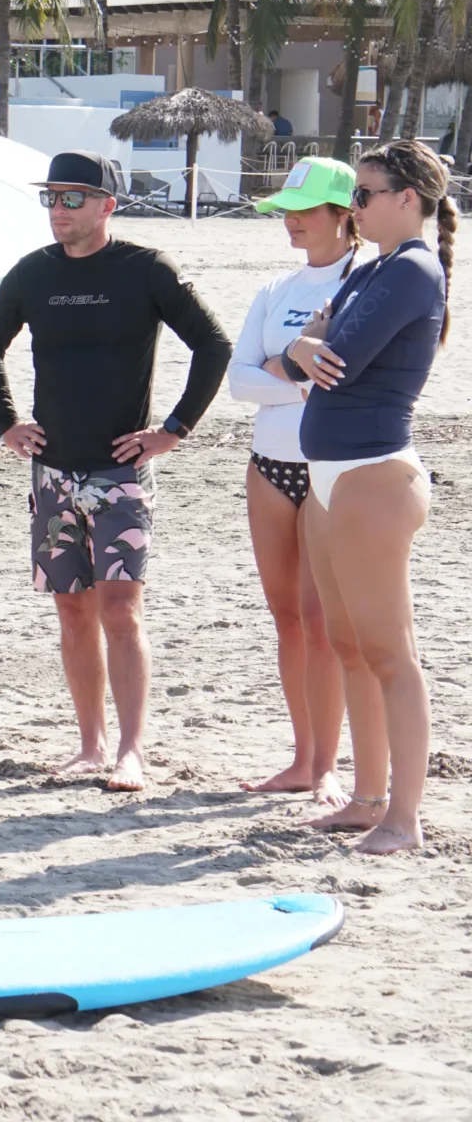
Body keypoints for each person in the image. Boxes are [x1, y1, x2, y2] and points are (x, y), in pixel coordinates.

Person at [0, 150, 232, 792]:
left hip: (121, 476)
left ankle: (132, 751)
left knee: (121, 611)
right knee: (73, 614)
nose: (59, 210)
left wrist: (172, 431)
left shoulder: (145, 269)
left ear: (107, 205)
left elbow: (214, 344)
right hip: (53, 474)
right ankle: (91, 745)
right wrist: (7, 424)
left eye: (73, 198)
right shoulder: (33, 273)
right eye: (51, 199)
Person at [284, 139, 451, 854]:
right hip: (335, 477)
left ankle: (403, 819)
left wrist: (306, 348)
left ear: (406, 199)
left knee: (390, 653)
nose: (353, 207)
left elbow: (336, 357)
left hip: (373, 477)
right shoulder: (374, 268)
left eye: (364, 193)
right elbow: (306, 349)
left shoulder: (412, 270)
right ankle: (367, 798)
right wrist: (302, 348)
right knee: (348, 644)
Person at [230, 158, 357, 803]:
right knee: (286, 617)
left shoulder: (364, 283)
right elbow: (238, 383)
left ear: (346, 212)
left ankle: (328, 765)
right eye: (287, 209)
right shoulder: (275, 291)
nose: (292, 220)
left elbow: (342, 379)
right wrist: (297, 372)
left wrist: (282, 377)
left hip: (330, 469)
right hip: (267, 466)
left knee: (320, 616)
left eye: (306, 209)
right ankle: (303, 759)